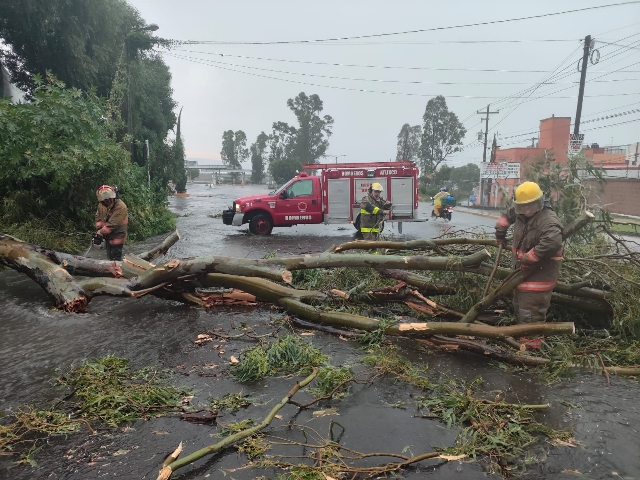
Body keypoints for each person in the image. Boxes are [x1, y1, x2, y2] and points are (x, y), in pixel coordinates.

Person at [494, 181, 563, 324]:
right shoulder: (520, 212)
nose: (527, 209)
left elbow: (552, 242)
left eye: (531, 205)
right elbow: (507, 215)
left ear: (539, 202)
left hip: (537, 280)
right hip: (521, 275)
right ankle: (521, 337)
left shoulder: (547, 219)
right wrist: (500, 232)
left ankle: (532, 339)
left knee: (530, 317)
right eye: (523, 206)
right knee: (519, 311)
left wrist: (529, 258)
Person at [95, 185, 129, 261]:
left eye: (109, 198)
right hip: (107, 236)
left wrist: (101, 232)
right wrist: (98, 230)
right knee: (109, 258)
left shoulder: (121, 206)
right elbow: (98, 217)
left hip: (117, 236)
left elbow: (114, 223)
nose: (107, 200)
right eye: (105, 199)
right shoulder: (101, 205)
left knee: (115, 259)